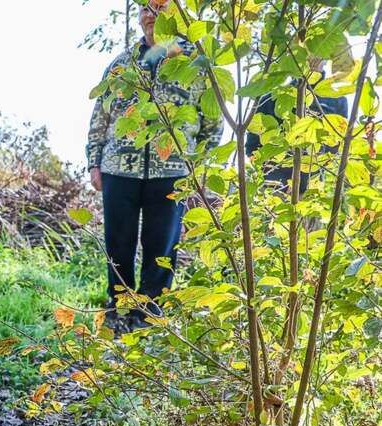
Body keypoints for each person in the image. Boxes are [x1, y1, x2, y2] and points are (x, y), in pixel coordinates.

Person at [86, 0, 222, 327]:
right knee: (118, 240)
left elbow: (212, 123)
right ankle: (119, 305)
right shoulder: (121, 64)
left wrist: (196, 167)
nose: (152, 15)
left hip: (172, 171)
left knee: (162, 243)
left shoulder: (194, 64)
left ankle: (149, 310)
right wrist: (94, 161)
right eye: (147, 8)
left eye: (160, 7)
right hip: (119, 169)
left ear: (174, 14)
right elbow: (100, 117)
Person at [245, 59, 349, 195]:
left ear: (327, 58)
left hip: (311, 192)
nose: (314, 56)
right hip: (273, 190)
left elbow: (338, 147)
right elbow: (252, 148)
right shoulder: (269, 99)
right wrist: (273, 179)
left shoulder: (337, 100)